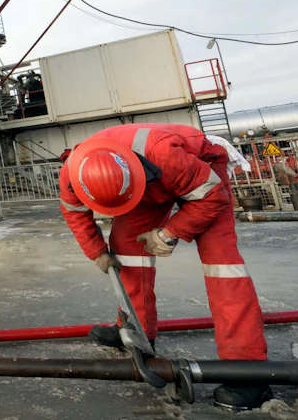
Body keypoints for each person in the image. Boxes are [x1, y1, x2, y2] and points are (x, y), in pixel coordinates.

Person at [58, 124, 270, 412]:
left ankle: (248, 370)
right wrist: (97, 251)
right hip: (146, 181)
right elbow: (75, 214)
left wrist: (170, 232)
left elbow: (213, 196)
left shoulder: (163, 156)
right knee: (127, 249)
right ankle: (137, 332)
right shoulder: (72, 172)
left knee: (222, 266)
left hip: (202, 176)